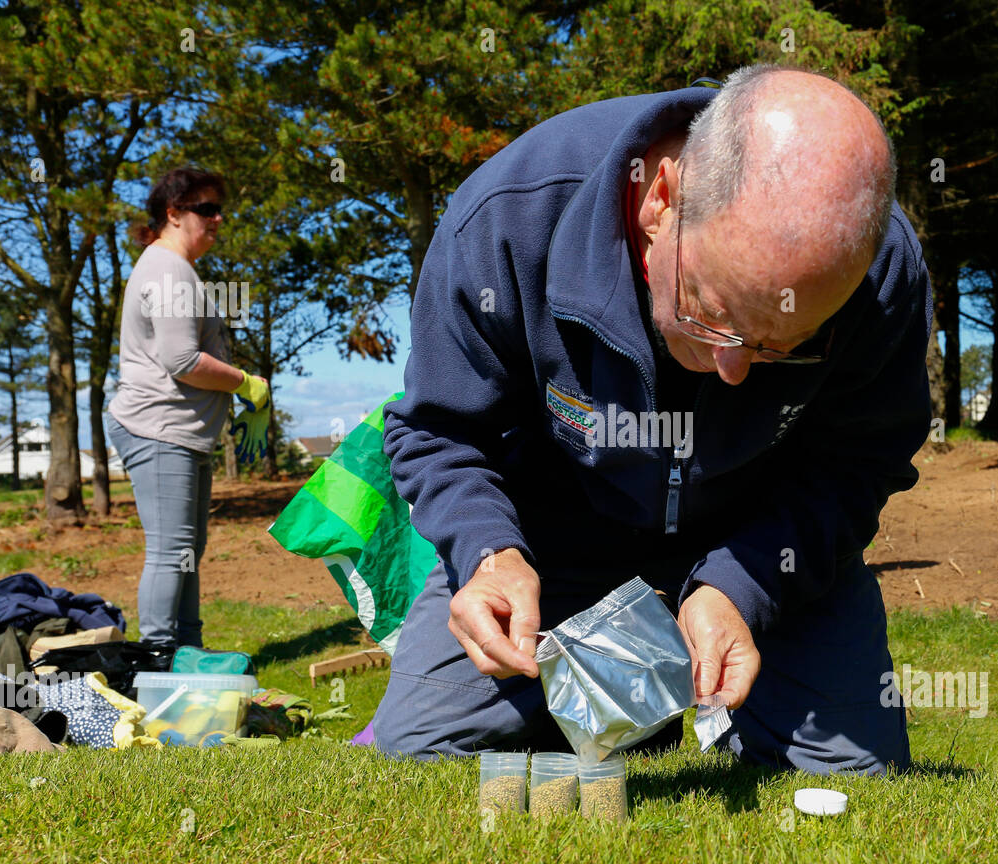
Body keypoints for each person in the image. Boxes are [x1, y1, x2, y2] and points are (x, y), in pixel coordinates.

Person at [374, 65, 932, 775]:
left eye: (781, 348)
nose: (732, 370)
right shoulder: (508, 216)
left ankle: (681, 697)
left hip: (762, 542)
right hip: (550, 544)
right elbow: (440, 432)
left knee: (856, 773)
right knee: (419, 748)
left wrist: (744, 586)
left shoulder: (878, 272)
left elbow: (859, 464)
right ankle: (630, 711)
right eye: (712, 312)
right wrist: (488, 553)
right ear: (662, 199)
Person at [105, 167, 270, 648]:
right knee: (171, 550)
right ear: (174, 214)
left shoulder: (177, 268)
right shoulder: (168, 269)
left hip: (181, 433)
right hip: (158, 429)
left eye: (220, 209)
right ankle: (157, 658)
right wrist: (244, 383)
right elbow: (180, 361)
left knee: (185, 552)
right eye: (206, 209)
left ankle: (188, 651)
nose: (218, 219)